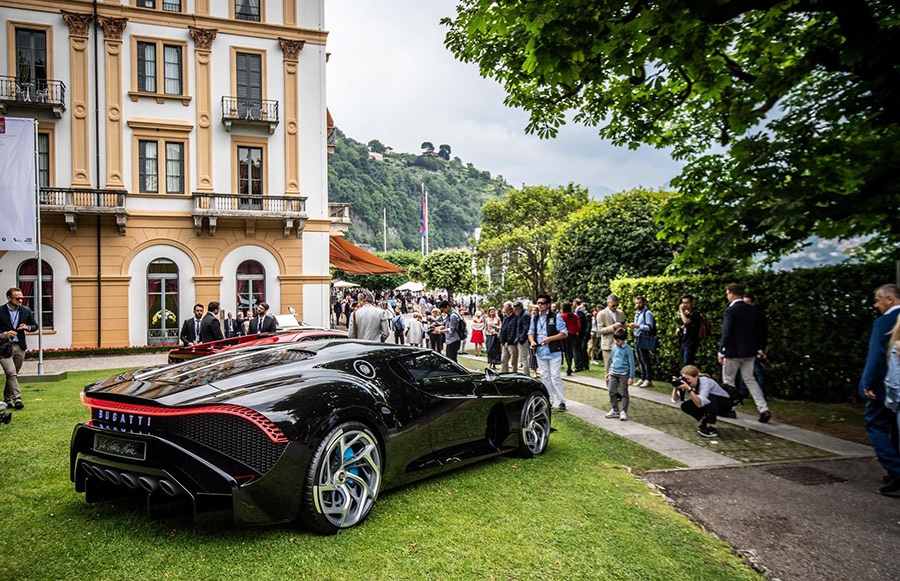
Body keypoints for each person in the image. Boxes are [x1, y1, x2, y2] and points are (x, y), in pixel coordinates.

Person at [860, 284, 900, 493]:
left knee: (875, 425)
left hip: (886, 384)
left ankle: (895, 470)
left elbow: (876, 357)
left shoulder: (884, 322)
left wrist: (868, 384)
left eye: (878, 300)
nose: (876, 305)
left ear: (890, 299)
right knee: (896, 428)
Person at [718, 283, 770, 423]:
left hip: (733, 351)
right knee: (750, 379)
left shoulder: (731, 311)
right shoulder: (752, 310)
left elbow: (727, 332)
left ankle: (731, 409)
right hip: (749, 351)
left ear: (732, 294)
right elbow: (759, 331)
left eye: (728, 293)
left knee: (729, 381)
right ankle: (763, 408)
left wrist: (722, 351)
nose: (727, 295)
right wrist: (759, 348)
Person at [0, 287, 38, 410]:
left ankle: (6, 399)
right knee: (11, 372)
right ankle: (17, 399)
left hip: (19, 346)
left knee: (13, 375)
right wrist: (4, 334)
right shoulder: (0, 311)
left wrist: (28, 327)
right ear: (9, 298)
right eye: (17, 298)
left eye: (22, 298)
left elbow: (35, 326)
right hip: (3, 347)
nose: (20, 300)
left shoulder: (25, 310)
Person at [529, 294, 568, 411]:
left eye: (542, 303)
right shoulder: (534, 318)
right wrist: (532, 341)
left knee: (555, 377)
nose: (539, 305)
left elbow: (564, 333)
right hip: (540, 351)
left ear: (548, 305)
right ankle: (548, 400)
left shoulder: (556, 317)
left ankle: (561, 401)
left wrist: (550, 339)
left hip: (554, 351)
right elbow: (530, 332)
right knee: (545, 377)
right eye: (538, 303)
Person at [673, 365, 734, 438]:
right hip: (710, 402)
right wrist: (676, 387)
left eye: (688, 379)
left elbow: (700, 404)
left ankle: (712, 428)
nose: (686, 381)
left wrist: (689, 389)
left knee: (709, 398)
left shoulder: (705, 382)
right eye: (684, 378)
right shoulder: (690, 383)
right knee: (685, 405)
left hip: (724, 404)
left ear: (696, 377)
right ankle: (705, 419)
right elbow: (675, 399)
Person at [604, 328, 635, 421]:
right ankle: (615, 409)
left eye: (618, 341)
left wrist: (631, 377)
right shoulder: (614, 347)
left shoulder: (628, 349)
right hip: (613, 373)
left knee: (624, 393)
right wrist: (609, 371)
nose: (616, 342)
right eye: (615, 340)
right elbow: (612, 360)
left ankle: (623, 411)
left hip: (624, 374)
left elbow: (631, 364)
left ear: (623, 340)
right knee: (612, 391)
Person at [628, 295, 656, 387]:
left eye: (640, 303)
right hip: (637, 338)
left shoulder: (647, 313)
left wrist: (638, 326)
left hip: (643, 338)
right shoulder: (637, 313)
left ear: (644, 302)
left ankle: (648, 379)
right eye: (636, 303)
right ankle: (642, 377)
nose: (638, 305)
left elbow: (650, 327)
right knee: (640, 359)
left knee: (645, 359)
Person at [597, 294, 626, 374]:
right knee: (608, 369)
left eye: (617, 305)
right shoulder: (601, 314)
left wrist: (623, 327)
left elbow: (624, 328)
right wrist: (613, 327)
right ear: (607, 303)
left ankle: (619, 386)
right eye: (613, 305)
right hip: (608, 345)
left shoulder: (621, 313)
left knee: (620, 367)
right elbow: (600, 330)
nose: (615, 307)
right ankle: (609, 386)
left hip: (620, 345)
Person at [677, 295, 702, 366]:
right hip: (685, 341)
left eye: (687, 303)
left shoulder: (695, 313)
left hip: (691, 342)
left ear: (692, 303)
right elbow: (685, 325)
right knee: (685, 362)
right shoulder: (687, 313)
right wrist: (680, 328)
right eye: (683, 303)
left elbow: (686, 322)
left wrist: (681, 311)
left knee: (688, 363)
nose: (685, 305)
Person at [560, 302, 580, 376]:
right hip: (573, 334)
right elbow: (578, 325)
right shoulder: (575, 316)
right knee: (570, 351)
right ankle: (570, 365)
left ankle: (568, 365)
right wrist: (577, 331)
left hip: (564, 335)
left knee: (565, 351)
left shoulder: (562, 316)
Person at [499, 302, 518, 373]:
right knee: (503, 360)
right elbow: (503, 328)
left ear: (511, 309)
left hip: (512, 343)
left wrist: (514, 340)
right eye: (505, 309)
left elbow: (516, 330)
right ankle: (504, 374)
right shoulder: (505, 317)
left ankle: (514, 374)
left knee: (514, 361)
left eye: (507, 309)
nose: (505, 311)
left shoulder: (515, 317)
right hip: (505, 342)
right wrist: (502, 340)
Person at [573, 298, 592, 371]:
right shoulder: (580, 311)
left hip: (580, 334)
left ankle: (579, 365)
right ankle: (583, 364)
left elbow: (580, 323)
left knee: (577, 348)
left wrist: (578, 331)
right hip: (581, 333)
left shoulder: (579, 311)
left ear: (575, 303)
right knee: (581, 349)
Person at [515, 301, 533, 376]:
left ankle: (527, 375)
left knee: (524, 359)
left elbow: (526, 328)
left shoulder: (525, 315)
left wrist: (521, 339)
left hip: (524, 339)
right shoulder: (521, 314)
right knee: (524, 359)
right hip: (523, 338)